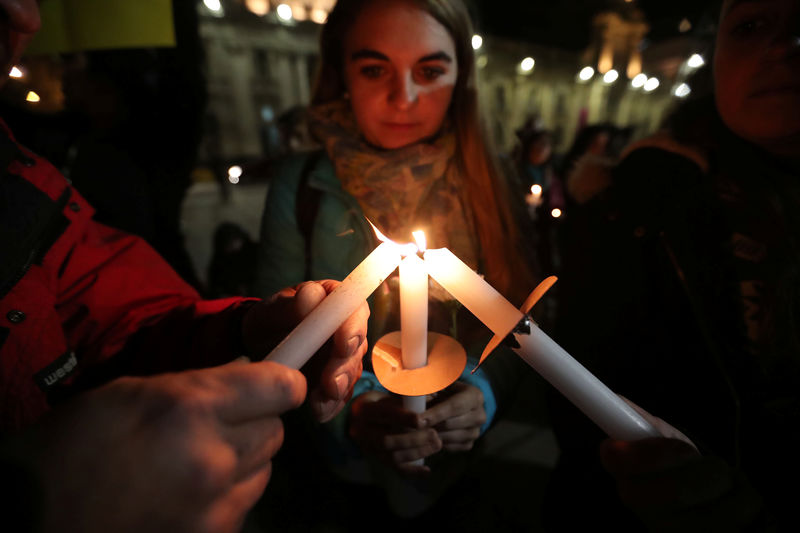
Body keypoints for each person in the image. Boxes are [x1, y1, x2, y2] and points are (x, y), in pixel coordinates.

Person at [0, 1, 369, 531]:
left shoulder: (21, 184)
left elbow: (116, 317)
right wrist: (30, 500)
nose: (26, 18)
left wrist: (240, 328)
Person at [255, 0, 536, 524]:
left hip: (463, 472)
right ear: (341, 73)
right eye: (374, 69)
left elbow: (527, 314)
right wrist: (355, 407)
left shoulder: (495, 181)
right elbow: (278, 330)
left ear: (461, 78)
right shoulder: (301, 184)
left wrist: (482, 393)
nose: (403, 98)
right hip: (339, 477)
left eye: (430, 71)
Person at [546, 0, 800, 529]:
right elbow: (582, 413)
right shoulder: (634, 207)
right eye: (750, 25)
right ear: (717, 58)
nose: (781, 45)